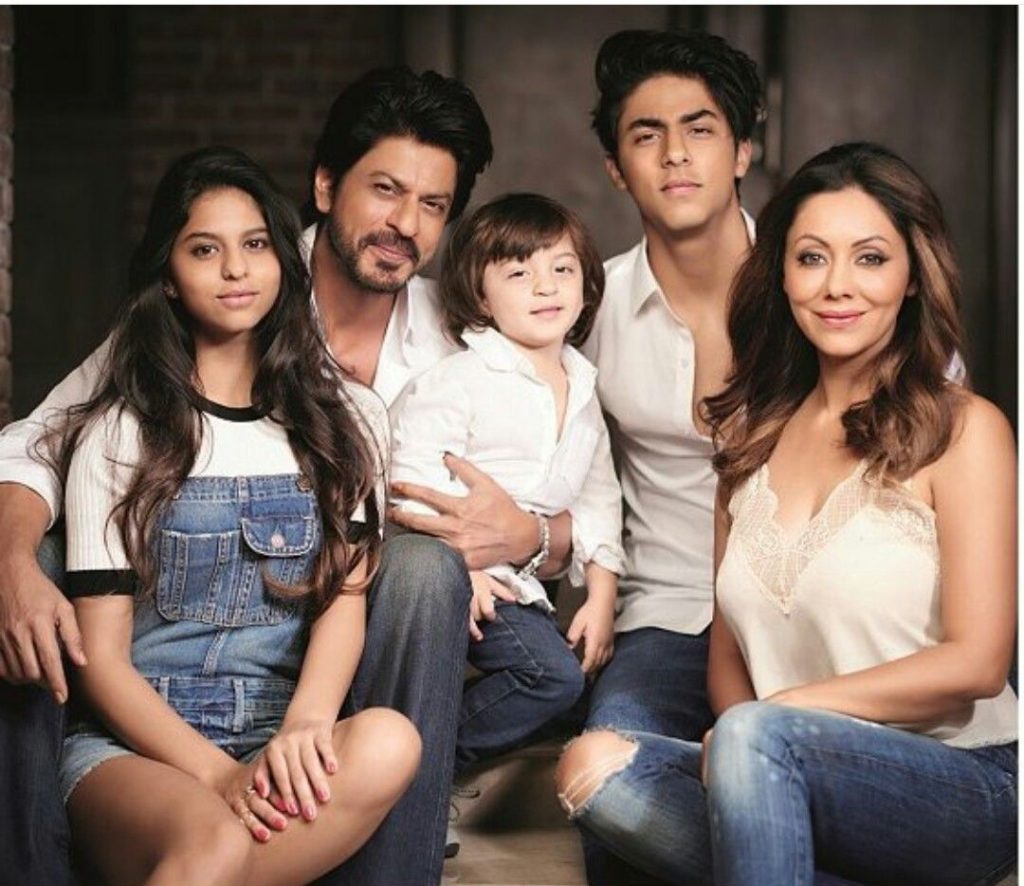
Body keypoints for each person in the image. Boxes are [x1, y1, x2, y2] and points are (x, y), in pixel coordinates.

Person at [0, 66, 545, 886]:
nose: (404, 223)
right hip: (156, 694)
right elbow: (41, 440)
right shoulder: (187, 334)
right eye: (386, 190)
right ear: (325, 187)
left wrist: (531, 534)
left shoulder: (463, 345)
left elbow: (561, 482)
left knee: (425, 571)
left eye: (433, 205)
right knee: (44, 557)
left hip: (325, 671)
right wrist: (10, 561)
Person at [559, 141, 1019, 884]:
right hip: (774, 765)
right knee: (594, 766)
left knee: (750, 740)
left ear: (912, 277)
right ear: (781, 274)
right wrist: (758, 733)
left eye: (870, 258)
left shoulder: (965, 431)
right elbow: (727, 662)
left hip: (960, 780)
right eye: (811, 258)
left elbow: (978, 662)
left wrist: (777, 720)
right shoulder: (749, 440)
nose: (837, 286)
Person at [38, 145, 424, 884]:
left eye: (254, 245)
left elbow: (343, 601)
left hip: (281, 737)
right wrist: (218, 776)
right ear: (169, 277)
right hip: (138, 749)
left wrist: (307, 723)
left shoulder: (347, 419)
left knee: (389, 741)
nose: (235, 270)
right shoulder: (120, 432)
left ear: (282, 260)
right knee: (211, 839)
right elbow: (104, 666)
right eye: (204, 250)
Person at [553, 29, 761, 884]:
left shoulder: (821, 286)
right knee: (608, 781)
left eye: (699, 128)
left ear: (744, 150)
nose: (675, 153)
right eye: (647, 135)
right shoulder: (586, 308)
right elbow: (535, 453)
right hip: (667, 615)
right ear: (616, 167)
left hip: (811, 613)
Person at [389, 193, 625, 775]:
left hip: (520, 586)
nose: (546, 287)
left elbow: (599, 499)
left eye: (562, 269)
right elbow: (408, 480)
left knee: (582, 691)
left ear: (586, 286)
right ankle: (418, 771)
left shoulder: (583, 389)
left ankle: (419, 764)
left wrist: (602, 598)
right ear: (480, 296)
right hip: (451, 581)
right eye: (519, 274)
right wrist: (458, 568)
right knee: (550, 676)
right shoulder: (459, 380)